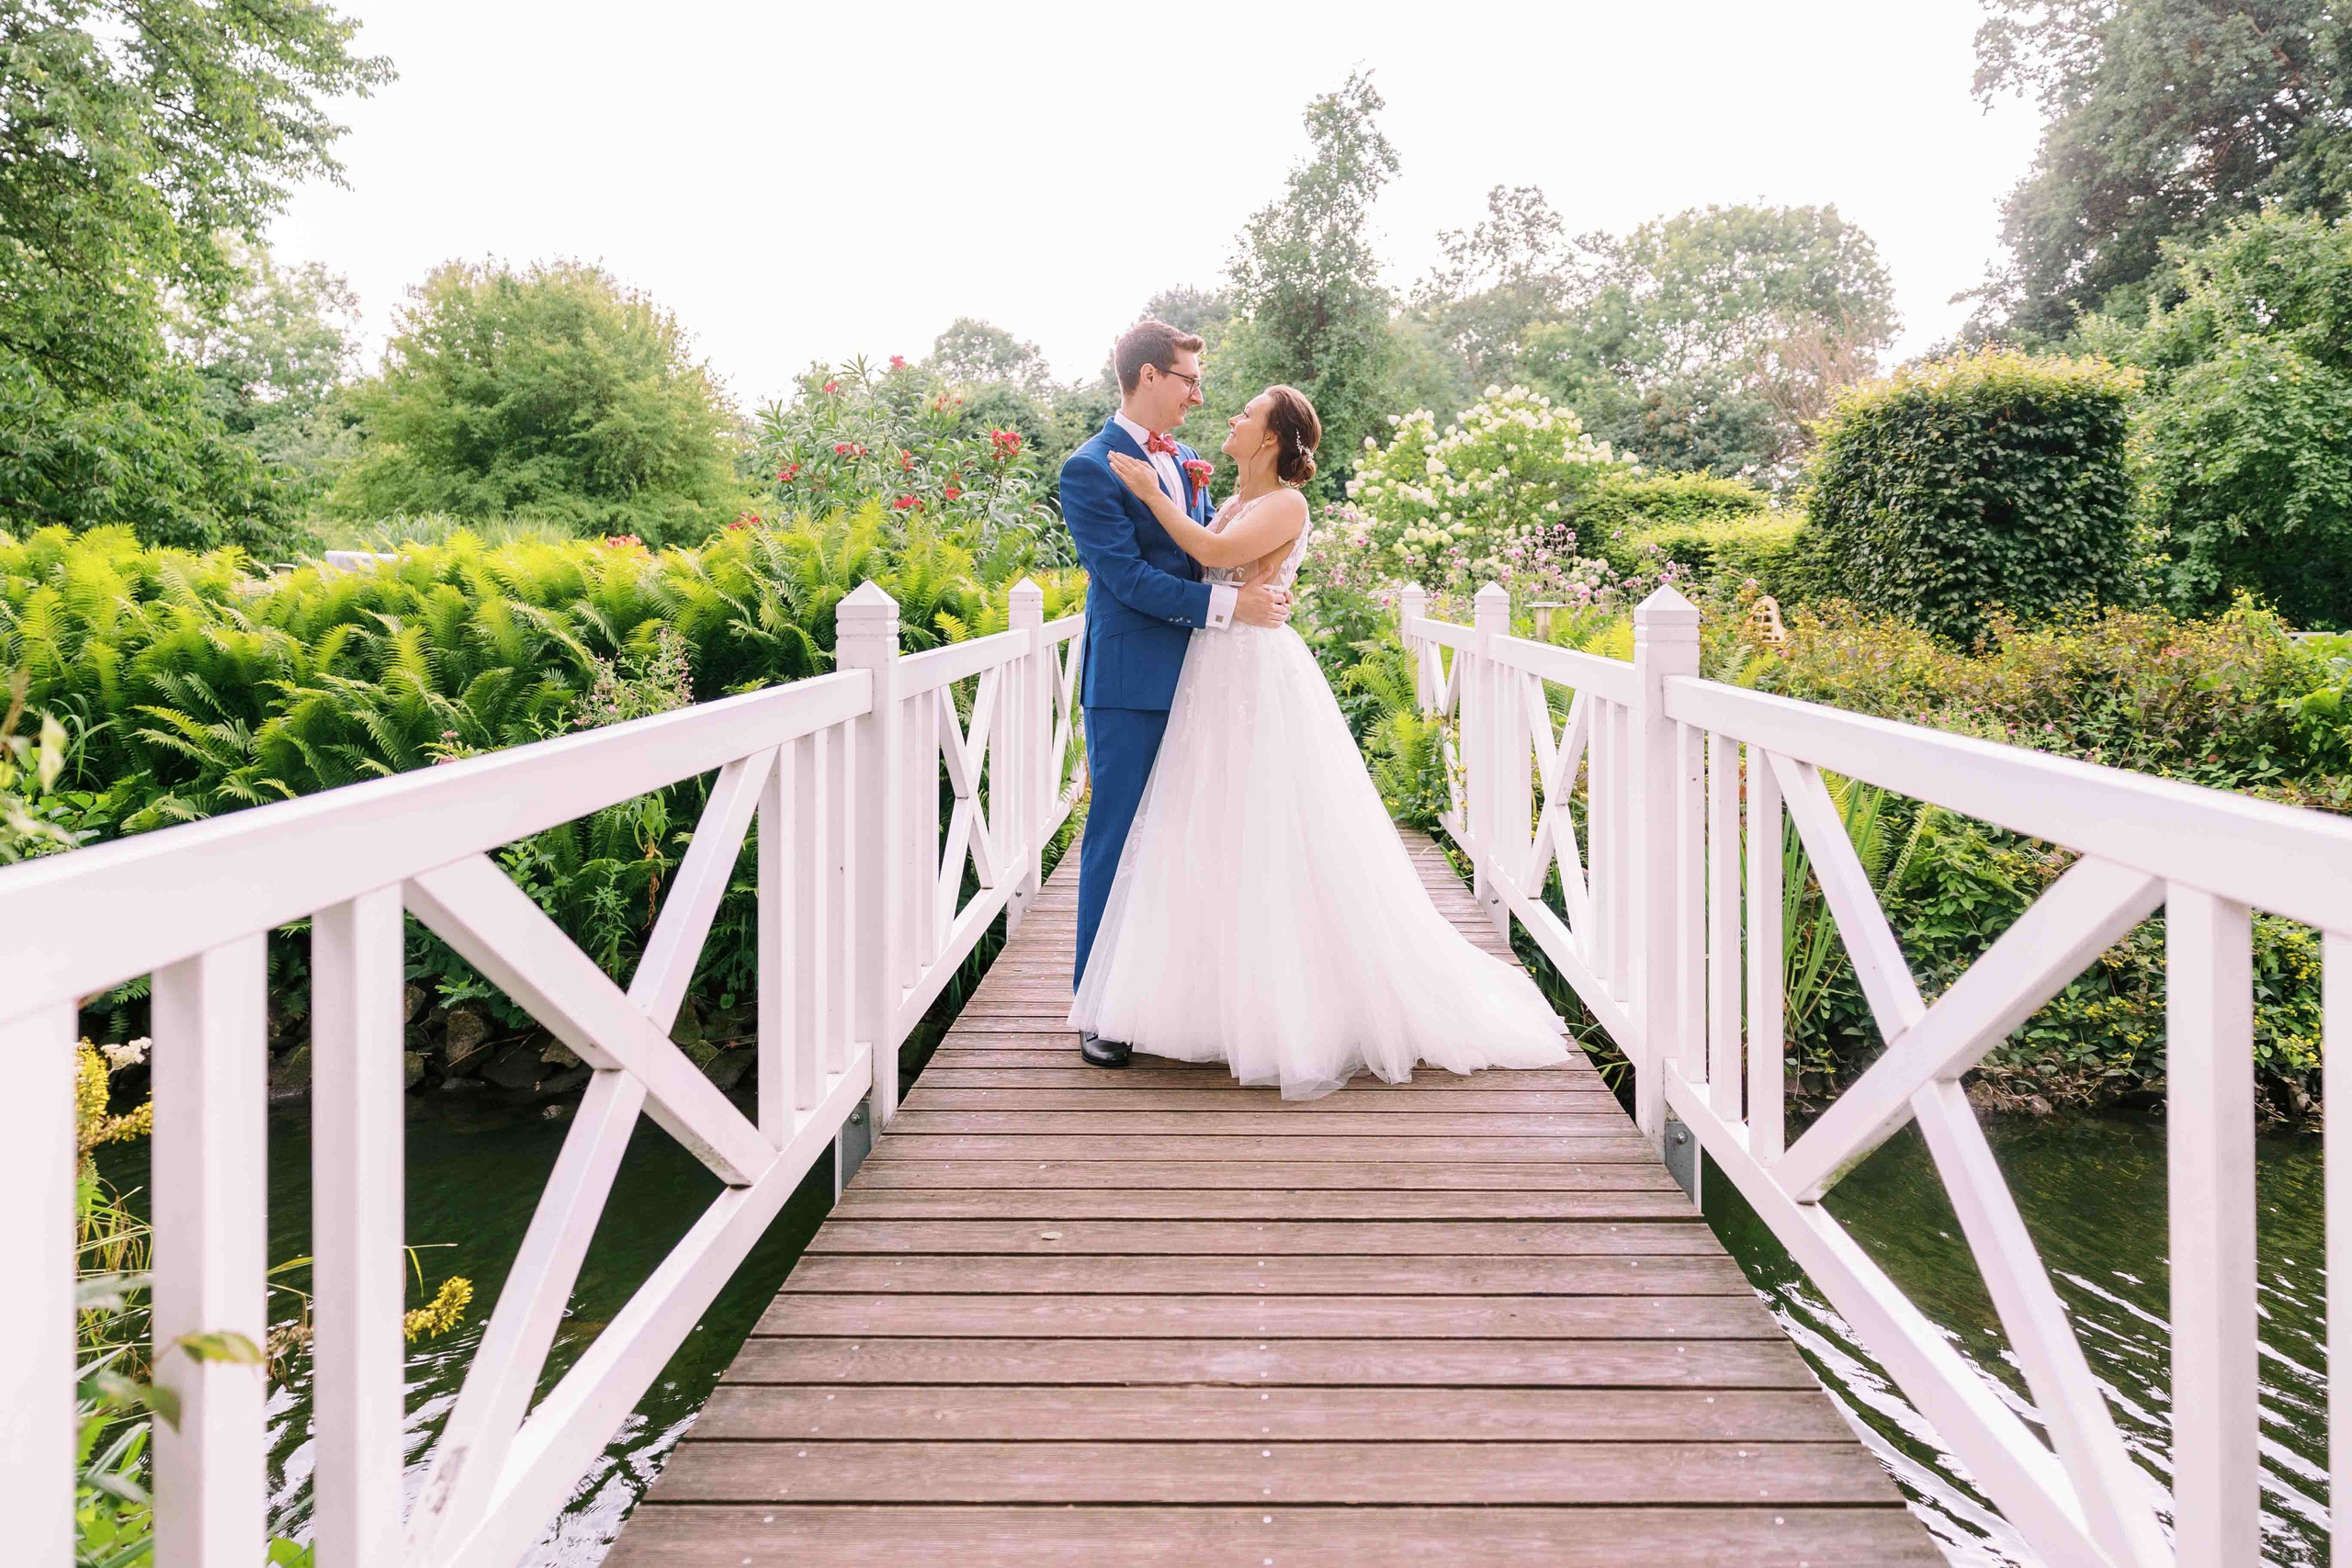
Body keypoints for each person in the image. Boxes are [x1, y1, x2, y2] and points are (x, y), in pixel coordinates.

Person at [1067, 381, 1569, 1099]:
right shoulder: (1227, 493)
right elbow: (1177, 562)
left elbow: (1207, 548)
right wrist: (1214, 563)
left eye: (1245, 414)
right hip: (1203, 673)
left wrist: (1155, 496)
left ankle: (1284, 1002)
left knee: (1272, 828)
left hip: (1252, 671)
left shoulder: (1280, 501)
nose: (1226, 414)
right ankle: (1175, 995)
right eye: (1199, 386)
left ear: (1271, 438)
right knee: (1197, 830)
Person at [1057, 320, 1295, 1068]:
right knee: (1119, 837)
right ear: (1149, 376)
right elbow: (1126, 580)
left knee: (1194, 840)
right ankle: (1099, 1011)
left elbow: (1211, 554)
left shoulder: (1190, 461)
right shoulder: (1088, 468)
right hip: (1132, 683)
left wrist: (1249, 595)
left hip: (1208, 684)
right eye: (1189, 378)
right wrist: (1235, 608)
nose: (1199, 393)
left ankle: (1176, 996)